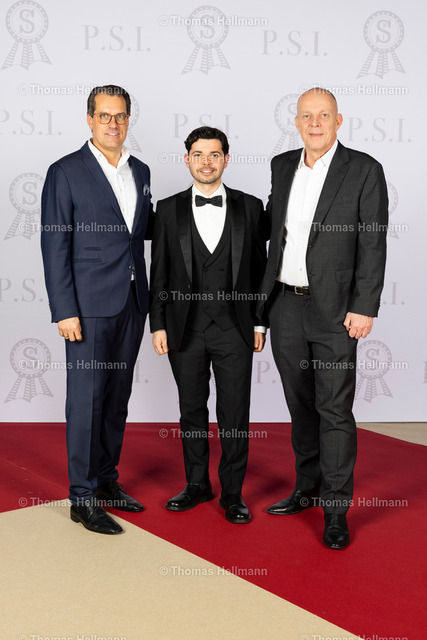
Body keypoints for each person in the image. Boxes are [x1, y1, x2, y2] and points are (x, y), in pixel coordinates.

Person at [259, 87, 388, 548]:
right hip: (285, 306)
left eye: (323, 115)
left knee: (334, 409)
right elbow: (270, 229)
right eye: (307, 116)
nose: (315, 123)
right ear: (296, 122)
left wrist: (364, 306)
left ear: (338, 121)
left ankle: (335, 511)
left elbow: (373, 241)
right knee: (301, 406)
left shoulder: (364, 169)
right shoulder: (281, 165)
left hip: (336, 311)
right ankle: (306, 488)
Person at [41, 85, 153, 535]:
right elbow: (54, 244)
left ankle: (106, 479)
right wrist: (64, 309)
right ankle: (82, 498)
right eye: (104, 115)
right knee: (86, 401)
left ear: (128, 120)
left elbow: (137, 233)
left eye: (120, 116)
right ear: (89, 119)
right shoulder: (65, 171)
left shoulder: (140, 170)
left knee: (115, 398)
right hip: (86, 308)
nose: (113, 123)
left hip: (132, 302)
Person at [150, 126, 267, 523]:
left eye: (214, 155)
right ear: (187, 159)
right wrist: (158, 324)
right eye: (198, 155)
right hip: (184, 329)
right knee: (191, 410)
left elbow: (260, 271)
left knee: (235, 414)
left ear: (226, 160)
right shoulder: (167, 209)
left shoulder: (251, 207)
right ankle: (197, 483)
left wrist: (260, 324)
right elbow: (159, 272)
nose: (206, 162)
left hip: (236, 329)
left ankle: (232, 494)